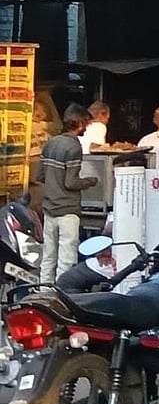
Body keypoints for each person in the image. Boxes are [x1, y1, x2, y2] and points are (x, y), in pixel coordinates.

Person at [36, 104, 99, 283]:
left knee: (48, 257)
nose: (86, 128)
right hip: (67, 211)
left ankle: (45, 292)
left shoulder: (51, 142)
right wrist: (91, 181)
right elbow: (70, 182)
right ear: (79, 123)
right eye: (86, 123)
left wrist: (53, 185)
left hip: (49, 209)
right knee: (67, 259)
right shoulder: (74, 147)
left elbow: (40, 175)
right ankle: (62, 295)